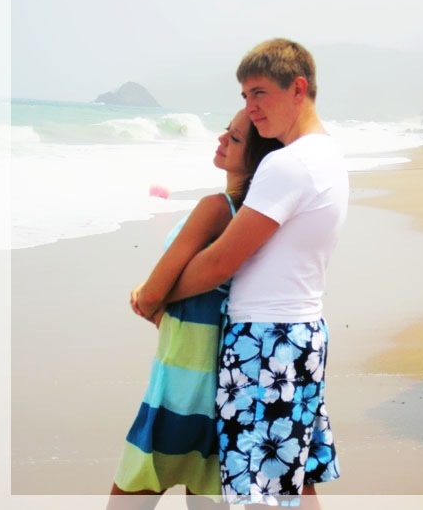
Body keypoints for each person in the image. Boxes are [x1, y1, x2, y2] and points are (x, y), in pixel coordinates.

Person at [134, 38, 349, 508]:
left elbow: (220, 262)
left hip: (266, 343)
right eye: (245, 95)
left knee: (258, 492)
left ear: (298, 89)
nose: (250, 107)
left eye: (260, 93)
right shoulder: (327, 156)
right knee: (292, 480)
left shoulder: (289, 164)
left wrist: (155, 295)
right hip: (299, 335)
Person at [108, 109, 282, 509]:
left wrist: (143, 295)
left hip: (181, 381)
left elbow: (152, 294)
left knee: (129, 495)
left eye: (234, 139)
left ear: (256, 158)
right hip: (225, 380)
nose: (221, 140)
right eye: (226, 131)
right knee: (203, 497)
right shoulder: (257, 220)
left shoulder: (217, 208)